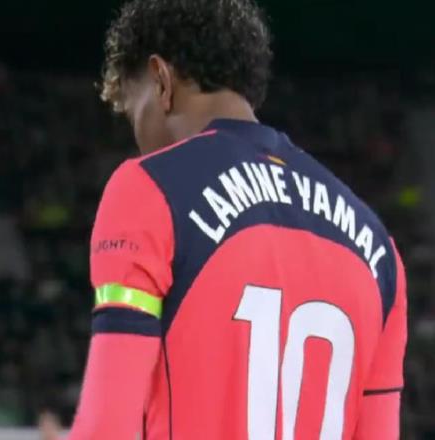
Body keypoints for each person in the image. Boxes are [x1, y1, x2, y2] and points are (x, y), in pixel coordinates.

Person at [63, 0, 407, 438]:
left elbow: (105, 428)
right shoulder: (378, 248)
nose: (138, 136)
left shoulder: (148, 189)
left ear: (161, 79)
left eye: (134, 112)